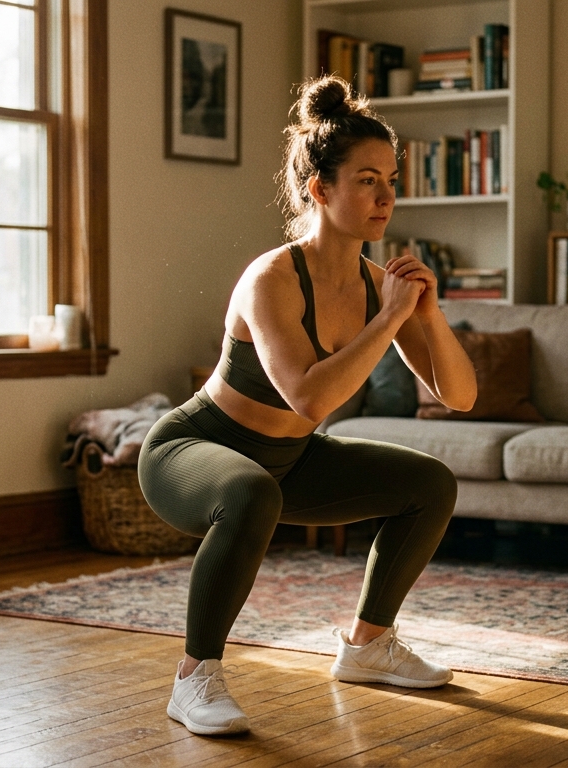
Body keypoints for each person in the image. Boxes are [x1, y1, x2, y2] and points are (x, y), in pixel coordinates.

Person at [137, 75, 478, 737]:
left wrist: (429, 318)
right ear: (321, 189)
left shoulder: (380, 283)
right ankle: (193, 677)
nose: (387, 196)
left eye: (391, 178)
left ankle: (367, 646)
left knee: (428, 484)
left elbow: (460, 396)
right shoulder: (271, 279)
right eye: (367, 180)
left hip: (286, 461)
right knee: (249, 493)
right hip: (194, 450)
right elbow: (311, 394)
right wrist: (388, 323)